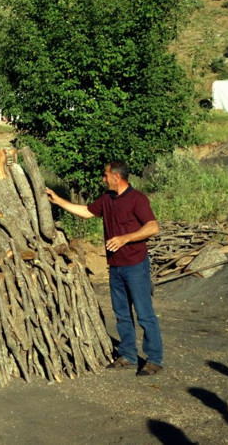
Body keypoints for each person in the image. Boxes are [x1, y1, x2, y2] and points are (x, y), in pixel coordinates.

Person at [45, 161, 163, 376]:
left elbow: (152, 227)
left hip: (136, 265)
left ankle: (154, 359)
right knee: (121, 314)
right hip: (115, 267)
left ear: (116, 177)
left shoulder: (138, 199)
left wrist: (125, 238)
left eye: (105, 175)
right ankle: (127, 354)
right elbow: (86, 212)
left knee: (144, 314)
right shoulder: (107, 199)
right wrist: (58, 200)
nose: (103, 178)